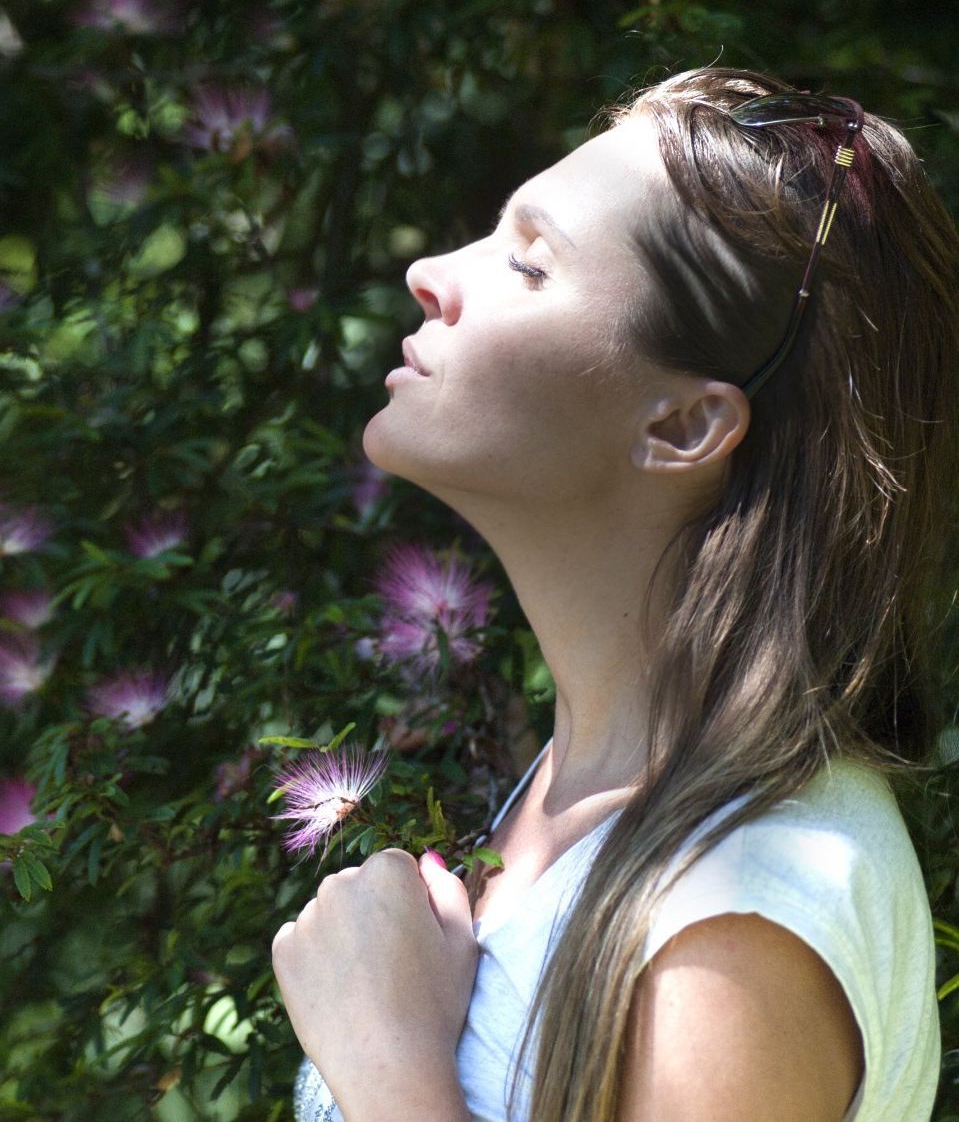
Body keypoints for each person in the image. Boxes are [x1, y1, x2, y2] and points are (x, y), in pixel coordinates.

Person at [271, 66, 957, 1122]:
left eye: (528, 263)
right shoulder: (583, 799)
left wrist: (382, 1061)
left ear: (681, 427)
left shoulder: (738, 916)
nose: (426, 271)